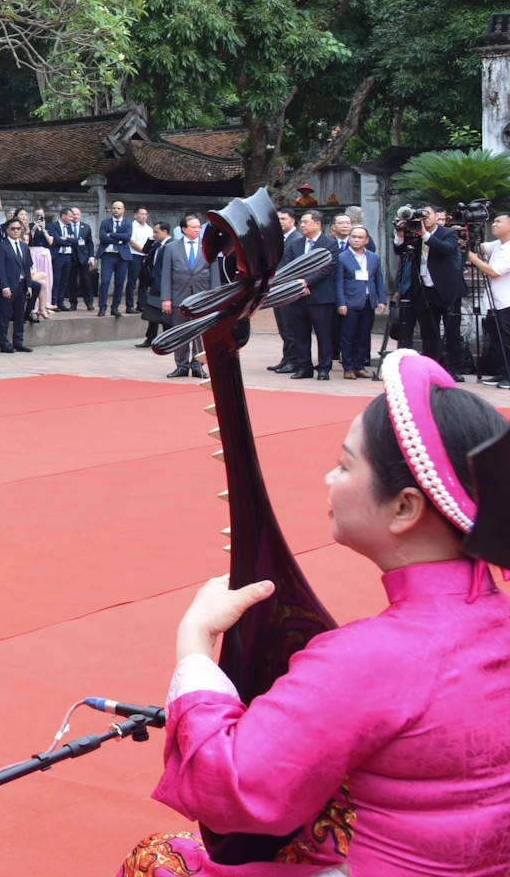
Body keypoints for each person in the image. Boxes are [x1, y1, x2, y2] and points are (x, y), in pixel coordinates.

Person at [119, 349, 510, 877]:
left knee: (158, 860)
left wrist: (193, 647)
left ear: (404, 508)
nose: (330, 478)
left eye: (346, 465)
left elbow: (232, 786)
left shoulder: (371, 657)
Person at [405, 208, 464, 375]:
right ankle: (431, 367)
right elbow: (400, 250)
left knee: (452, 330)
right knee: (428, 331)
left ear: (437, 217)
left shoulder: (448, 233)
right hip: (424, 288)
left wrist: (424, 234)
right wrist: (400, 233)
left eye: (427, 215)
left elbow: (446, 249)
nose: (424, 218)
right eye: (421, 216)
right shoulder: (414, 233)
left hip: (447, 289)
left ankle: (453, 369)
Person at [287, 211, 343, 380]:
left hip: (321, 298)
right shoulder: (295, 244)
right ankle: (304, 367)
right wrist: (299, 284)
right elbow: (289, 267)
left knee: (323, 335)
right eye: (301, 222)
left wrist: (307, 282)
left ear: (318, 224)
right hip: (298, 296)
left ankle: (324, 368)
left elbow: (328, 267)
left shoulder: (329, 243)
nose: (301, 225)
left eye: (306, 222)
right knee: (300, 335)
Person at [158, 214, 211, 379]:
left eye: (199, 227)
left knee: (201, 334)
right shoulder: (171, 248)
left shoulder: (208, 247)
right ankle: (181, 366)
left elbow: (214, 275)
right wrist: (166, 298)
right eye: (194, 227)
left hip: (202, 297)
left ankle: (198, 366)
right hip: (178, 296)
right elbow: (166, 274)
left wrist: (215, 299)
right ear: (184, 229)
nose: (198, 230)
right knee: (180, 333)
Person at [339, 224, 389, 380]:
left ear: (366, 240)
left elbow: (378, 280)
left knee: (363, 335)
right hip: (350, 302)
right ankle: (348, 367)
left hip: (368, 302)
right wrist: (341, 303)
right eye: (353, 237)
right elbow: (338, 283)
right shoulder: (342, 257)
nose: (356, 240)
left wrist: (382, 299)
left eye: (360, 237)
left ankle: (359, 366)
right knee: (348, 336)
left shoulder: (373, 257)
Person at [468, 212, 510, 384]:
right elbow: (481, 248)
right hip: (494, 302)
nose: (494, 224)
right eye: (493, 221)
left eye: (498, 222)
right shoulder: (499, 244)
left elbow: (493, 272)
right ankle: (502, 372)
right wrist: (468, 235)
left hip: (507, 302)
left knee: (507, 341)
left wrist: (471, 257)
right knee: (496, 341)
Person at [0, 215, 35, 352]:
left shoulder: (23, 246)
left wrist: (29, 285)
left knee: (19, 315)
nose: (16, 231)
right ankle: (3, 342)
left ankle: (18, 342)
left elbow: (27, 267)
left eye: (18, 228)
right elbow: (0, 268)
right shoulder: (1, 246)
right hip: (8, 285)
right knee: (5, 315)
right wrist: (4, 286)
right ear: (7, 230)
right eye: (13, 229)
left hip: (22, 285)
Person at [270, 207, 304, 374]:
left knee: (291, 327)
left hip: (289, 287)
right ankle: (287, 358)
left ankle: (294, 360)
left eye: (284, 218)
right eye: (278, 219)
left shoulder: (297, 239)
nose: (280, 222)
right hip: (277, 287)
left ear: (293, 221)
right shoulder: (278, 238)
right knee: (283, 327)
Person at [138, 220, 173, 348]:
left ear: (165, 232)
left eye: (156, 232)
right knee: (152, 311)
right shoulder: (157, 245)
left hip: (164, 284)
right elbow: (145, 250)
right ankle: (150, 338)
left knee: (165, 314)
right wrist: (150, 238)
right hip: (154, 282)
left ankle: (167, 339)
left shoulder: (171, 245)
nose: (154, 234)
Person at [99, 201, 135, 318]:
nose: (116, 210)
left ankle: (115, 307)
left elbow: (127, 237)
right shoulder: (105, 222)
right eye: (114, 208)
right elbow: (103, 238)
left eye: (118, 208)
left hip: (122, 257)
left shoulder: (127, 223)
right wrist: (119, 239)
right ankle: (102, 307)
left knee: (119, 283)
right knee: (104, 282)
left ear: (123, 210)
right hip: (108, 256)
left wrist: (112, 234)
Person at [23, 207, 54, 321]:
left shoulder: (49, 226)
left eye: (41, 215)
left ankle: (46, 303)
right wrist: (35, 228)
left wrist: (44, 230)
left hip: (44, 251)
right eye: (37, 215)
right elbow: (28, 239)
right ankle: (38, 307)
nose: (39, 217)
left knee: (47, 276)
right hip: (33, 250)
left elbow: (51, 241)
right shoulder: (31, 226)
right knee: (38, 276)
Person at [50, 206, 78, 313]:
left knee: (64, 281)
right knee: (56, 280)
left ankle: (61, 302)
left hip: (68, 256)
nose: (72, 218)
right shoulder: (54, 226)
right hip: (58, 256)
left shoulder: (70, 227)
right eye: (70, 216)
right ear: (63, 216)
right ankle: (54, 302)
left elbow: (75, 241)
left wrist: (66, 239)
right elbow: (57, 240)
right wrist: (68, 242)